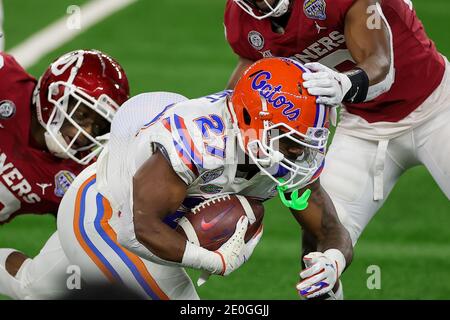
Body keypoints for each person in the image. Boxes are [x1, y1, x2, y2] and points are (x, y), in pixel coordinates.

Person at [0, 58, 352, 300]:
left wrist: (332, 260)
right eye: (289, 139)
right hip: (106, 214)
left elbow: (328, 229)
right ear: (250, 119)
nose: (297, 152)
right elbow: (140, 228)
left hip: (140, 221)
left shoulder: (279, 151)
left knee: (33, 287)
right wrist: (216, 261)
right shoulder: (200, 140)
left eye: (305, 140)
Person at [225, 0, 450, 298]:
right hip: (362, 125)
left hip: (439, 106)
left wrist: (344, 83)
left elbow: (382, 65)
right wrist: (222, 124)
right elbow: (250, 71)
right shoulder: (241, 18)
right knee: (319, 249)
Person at [0, 49, 129, 225]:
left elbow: (90, 237)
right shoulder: (5, 81)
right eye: (81, 115)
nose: (85, 134)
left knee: (15, 255)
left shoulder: (79, 175)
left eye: (98, 127)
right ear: (55, 94)